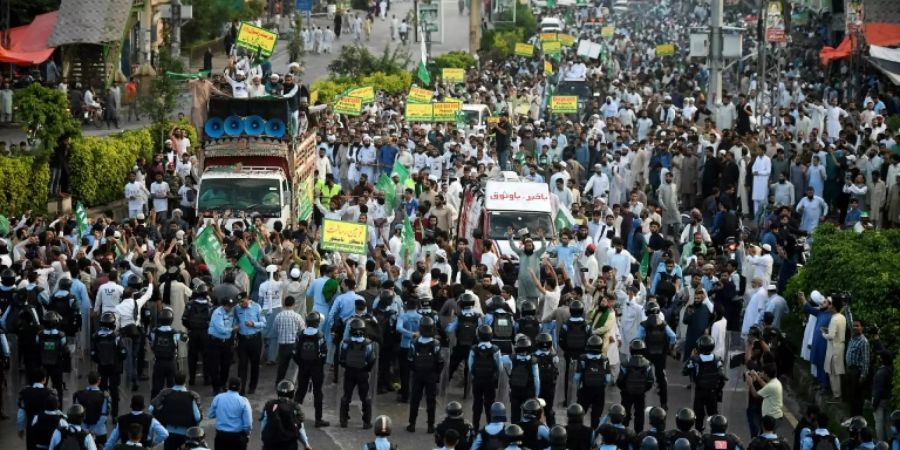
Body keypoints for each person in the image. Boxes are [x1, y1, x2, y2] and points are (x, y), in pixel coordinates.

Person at [148, 372, 202, 450]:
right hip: (185, 433)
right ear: (185, 381)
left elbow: (151, 408)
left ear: (174, 380)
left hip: (169, 432)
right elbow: (197, 417)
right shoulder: (192, 395)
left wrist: (159, 422)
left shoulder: (165, 393)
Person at [293, 311, 329, 427]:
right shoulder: (320, 335)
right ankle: (318, 420)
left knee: (300, 391)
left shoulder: (300, 335)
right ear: (317, 323)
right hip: (316, 367)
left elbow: (295, 352)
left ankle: (293, 417)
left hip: (303, 366)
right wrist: (319, 364)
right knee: (318, 392)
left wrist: (301, 363)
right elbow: (324, 353)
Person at [407, 316, 443, 433]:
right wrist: (436, 374)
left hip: (417, 374)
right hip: (431, 375)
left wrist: (415, 370)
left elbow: (410, 359)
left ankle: (412, 424)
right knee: (431, 400)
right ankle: (430, 426)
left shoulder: (414, 342)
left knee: (415, 400)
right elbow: (440, 361)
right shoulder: (436, 344)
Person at [339, 317, 376, 428]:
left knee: (346, 396)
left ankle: (343, 420)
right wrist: (367, 369)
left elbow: (342, 358)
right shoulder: (368, 343)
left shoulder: (346, 342)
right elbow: (372, 359)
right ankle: (366, 422)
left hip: (349, 372)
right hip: (362, 373)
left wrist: (347, 366)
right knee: (365, 397)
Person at [684, 335, 726, 432]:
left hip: (700, 391)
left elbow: (685, 371)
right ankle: (715, 435)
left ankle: (699, 435)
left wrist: (691, 357)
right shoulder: (717, 359)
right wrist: (718, 390)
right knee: (714, 416)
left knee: (698, 416)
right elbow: (722, 376)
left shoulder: (695, 359)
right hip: (712, 392)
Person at [639, 301, 675, 410]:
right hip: (661, 355)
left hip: (647, 354)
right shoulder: (664, 324)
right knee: (661, 379)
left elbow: (637, 339)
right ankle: (664, 403)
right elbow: (673, 336)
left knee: (641, 377)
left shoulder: (644, 324)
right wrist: (669, 347)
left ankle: (640, 400)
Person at [91, 312, 127, 418]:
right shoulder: (116, 337)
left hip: (102, 368)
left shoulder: (96, 336)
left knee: (101, 391)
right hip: (114, 369)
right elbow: (124, 352)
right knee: (114, 391)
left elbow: (93, 353)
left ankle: (103, 414)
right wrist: (118, 360)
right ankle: (114, 415)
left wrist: (99, 360)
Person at [469, 325, 503, 429]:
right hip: (490, 381)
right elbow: (500, 367)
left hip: (477, 380)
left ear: (478, 336)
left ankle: (475, 427)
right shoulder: (495, 349)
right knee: (489, 404)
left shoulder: (474, 349)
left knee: (477, 403)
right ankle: (489, 427)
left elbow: (470, 366)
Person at [104, 396, 169, 450]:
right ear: (143, 406)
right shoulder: (150, 419)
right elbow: (164, 434)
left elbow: (112, 440)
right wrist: (152, 444)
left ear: (131, 405)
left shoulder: (122, 419)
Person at [260, 380, 310, 450]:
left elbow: (263, 425)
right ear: (292, 393)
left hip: (270, 444)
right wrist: (306, 444)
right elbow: (300, 429)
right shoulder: (294, 407)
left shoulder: (270, 405)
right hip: (289, 445)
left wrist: (264, 439)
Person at [617, 339, 654, 432]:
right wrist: (643, 389)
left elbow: (620, 380)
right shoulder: (647, 364)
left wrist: (624, 389)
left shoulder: (626, 362)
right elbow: (650, 381)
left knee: (625, 412)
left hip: (627, 393)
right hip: (640, 393)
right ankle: (638, 434)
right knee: (639, 414)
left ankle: (624, 432)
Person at [17, 368, 59, 450]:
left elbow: (21, 413)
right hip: (48, 430)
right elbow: (55, 412)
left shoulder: (25, 392)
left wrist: (20, 428)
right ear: (44, 379)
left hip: (31, 430)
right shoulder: (50, 393)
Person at [149, 307, 186, 399]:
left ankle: (154, 407)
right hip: (171, 362)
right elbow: (185, 339)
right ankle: (172, 405)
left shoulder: (154, 332)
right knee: (173, 387)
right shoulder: (175, 333)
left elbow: (150, 342)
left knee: (156, 387)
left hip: (158, 362)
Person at [574, 335, 610, 429]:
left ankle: (579, 431)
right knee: (596, 416)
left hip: (585, 389)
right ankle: (593, 435)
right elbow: (608, 378)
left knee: (580, 413)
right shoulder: (604, 359)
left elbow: (577, 377)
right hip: (599, 391)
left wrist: (579, 386)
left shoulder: (582, 358)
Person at [446, 292, 482, 385]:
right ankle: (468, 387)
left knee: (452, 366)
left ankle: (444, 385)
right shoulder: (477, 316)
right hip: (473, 346)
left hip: (460, 346)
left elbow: (449, 329)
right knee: (470, 368)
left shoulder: (459, 316)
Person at [234, 291, 266, 395]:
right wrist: (235, 327)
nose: (241, 304)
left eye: (243, 301)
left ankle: (252, 386)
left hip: (255, 339)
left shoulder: (257, 307)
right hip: (242, 339)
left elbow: (264, 323)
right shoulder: (237, 308)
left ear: (248, 299)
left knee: (254, 364)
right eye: (240, 302)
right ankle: (241, 387)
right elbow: (235, 320)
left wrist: (254, 324)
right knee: (242, 364)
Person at [560, 300, 591, 406]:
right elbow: (590, 340)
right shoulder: (586, 325)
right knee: (583, 376)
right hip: (583, 355)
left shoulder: (566, 324)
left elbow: (561, 341)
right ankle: (581, 400)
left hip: (569, 354)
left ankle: (567, 401)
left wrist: (567, 350)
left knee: (568, 376)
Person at [182, 284, 213, 387]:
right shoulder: (209, 305)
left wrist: (190, 327)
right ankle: (207, 379)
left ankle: (192, 379)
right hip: (205, 333)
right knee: (206, 357)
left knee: (192, 357)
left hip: (193, 332)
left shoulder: (190, 304)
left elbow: (184, 319)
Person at [209, 377, 253, 450]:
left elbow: (211, 414)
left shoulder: (218, 398)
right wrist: (246, 434)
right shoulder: (244, 401)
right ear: (240, 387)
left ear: (228, 386)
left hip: (221, 436)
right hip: (237, 437)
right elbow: (248, 424)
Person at [37, 311, 70, 403]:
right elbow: (65, 350)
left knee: (41, 387)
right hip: (57, 364)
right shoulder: (61, 335)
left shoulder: (40, 334)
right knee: (58, 388)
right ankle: (58, 408)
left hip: (43, 364)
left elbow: (37, 347)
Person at [72, 371, 112, 445]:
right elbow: (104, 415)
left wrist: (86, 429)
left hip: (83, 431)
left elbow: (77, 413)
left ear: (88, 380)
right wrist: (94, 430)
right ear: (99, 380)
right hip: (99, 432)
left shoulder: (79, 394)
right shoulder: (104, 396)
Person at [508, 336, 540, 424]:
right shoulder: (533, 361)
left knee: (515, 416)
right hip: (528, 392)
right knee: (529, 416)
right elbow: (536, 379)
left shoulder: (513, 359)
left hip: (515, 392)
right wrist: (536, 395)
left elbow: (502, 360)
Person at [273, 296, 305, 384]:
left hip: (282, 345)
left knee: (282, 366)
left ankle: (278, 383)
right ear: (294, 304)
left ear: (284, 304)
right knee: (296, 366)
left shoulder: (278, 316)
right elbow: (302, 330)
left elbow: (275, 329)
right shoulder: (297, 316)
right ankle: (293, 383)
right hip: (293, 345)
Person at [823, 293, 847, 400]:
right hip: (840, 346)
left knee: (833, 373)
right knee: (837, 372)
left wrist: (823, 334)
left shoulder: (834, 319)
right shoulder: (842, 317)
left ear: (833, 306)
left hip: (834, 348)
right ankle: (838, 394)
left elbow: (831, 336)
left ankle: (836, 395)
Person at [746, 365, 783, 431]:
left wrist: (750, 383)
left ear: (766, 375)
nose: (761, 373)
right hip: (774, 417)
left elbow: (755, 395)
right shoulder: (775, 382)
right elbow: (766, 386)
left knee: (767, 438)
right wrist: (757, 376)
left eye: (763, 372)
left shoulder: (771, 386)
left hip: (772, 418)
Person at [533, 333, 559, 426]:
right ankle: (552, 428)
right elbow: (556, 364)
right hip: (550, 387)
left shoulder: (534, 356)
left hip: (537, 388)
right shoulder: (554, 356)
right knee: (549, 409)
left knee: (535, 408)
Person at [846, 319, 870, 416]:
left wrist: (863, 375)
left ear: (862, 328)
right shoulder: (853, 337)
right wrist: (846, 306)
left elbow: (866, 360)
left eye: (857, 326)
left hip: (857, 372)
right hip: (850, 370)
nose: (855, 327)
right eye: (854, 326)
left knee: (857, 397)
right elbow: (848, 319)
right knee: (852, 396)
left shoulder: (864, 342)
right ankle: (852, 417)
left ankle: (857, 418)